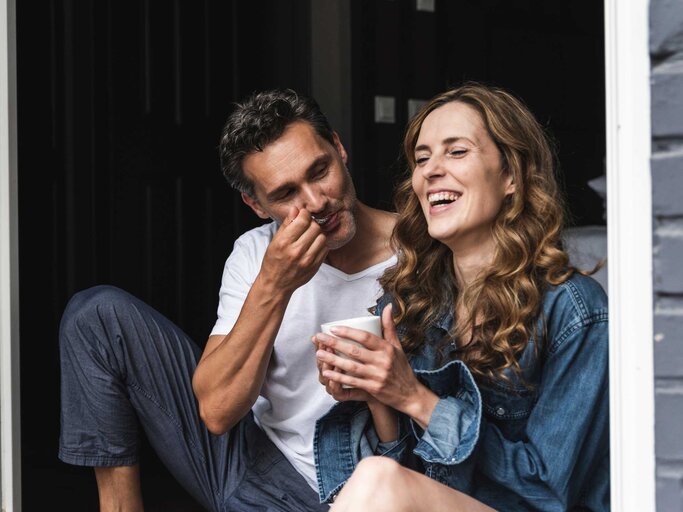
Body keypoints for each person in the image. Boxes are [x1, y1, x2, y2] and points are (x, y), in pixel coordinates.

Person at [58, 89, 396, 511]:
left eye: (319, 170)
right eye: (286, 194)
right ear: (255, 204)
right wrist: (274, 286)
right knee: (96, 316)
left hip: (351, 494)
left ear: (339, 148)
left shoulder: (421, 251)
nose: (316, 202)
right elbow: (217, 412)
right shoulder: (256, 253)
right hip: (249, 463)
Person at [312, 83, 609, 511]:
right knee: (375, 477)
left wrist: (413, 396)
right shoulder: (412, 301)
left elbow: (549, 492)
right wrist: (378, 394)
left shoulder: (574, 311)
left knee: (375, 481)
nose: (431, 170)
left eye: (457, 151)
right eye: (422, 158)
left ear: (512, 175)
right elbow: (407, 475)